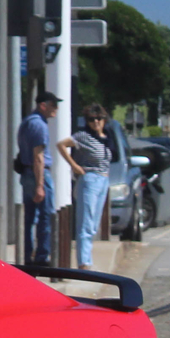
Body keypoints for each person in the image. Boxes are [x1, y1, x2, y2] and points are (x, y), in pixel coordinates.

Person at [67, 103, 113, 267]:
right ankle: (84, 262)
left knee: (94, 223)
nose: (96, 122)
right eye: (92, 120)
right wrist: (74, 166)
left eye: (99, 119)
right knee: (86, 222)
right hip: (90, 179)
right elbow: (61, 145)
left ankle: (87, 258)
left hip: (103, 180)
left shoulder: (107, 137)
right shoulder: (83, 136)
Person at [17, 90, 59, 265]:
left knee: (28, 217)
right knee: (45, 216)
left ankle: (26, 255)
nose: (56, 109)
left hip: (26, 173)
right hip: (38, 174)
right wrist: (40, 185)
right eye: (53, 105)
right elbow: (38, 157)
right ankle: (42, 256)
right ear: (43, 105)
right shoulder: (39, 125)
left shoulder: (26, 122)